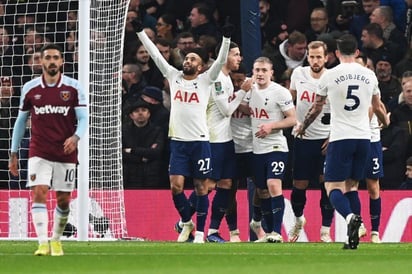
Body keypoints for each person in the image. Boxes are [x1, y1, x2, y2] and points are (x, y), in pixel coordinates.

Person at [133, 19, 233, 243]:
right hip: (178, 141)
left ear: (200, 66)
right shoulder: (173, 76)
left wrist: (226, 39)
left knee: (201, 187)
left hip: (200, 141)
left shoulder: (207, 80)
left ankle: (200, 233)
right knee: (175, 186)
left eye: (193, 59)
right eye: (187, 57)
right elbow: (155, 54)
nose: (187, 60)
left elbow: (219, 62)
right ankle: (187, 223)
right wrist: (140, 32)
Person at [297, 34, 389, 249]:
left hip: (340, 138)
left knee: (332, 186)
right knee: (352, 186)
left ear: (335, 54)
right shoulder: (369, 75)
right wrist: (384, 122)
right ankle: (351, 237)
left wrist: (304, 126)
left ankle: (349, 217)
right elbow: (377, 106)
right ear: (357, 52)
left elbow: (317, 107)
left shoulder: (330, 76)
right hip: (364, 137)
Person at [8, 44, 88, 256]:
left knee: (63, 199)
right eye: (48, 58)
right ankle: (42, 243)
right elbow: (20, 121)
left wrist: (76, 137)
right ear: (41, 62)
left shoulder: (73, 88)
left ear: (62, 61)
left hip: (65, 151)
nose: (52, 61)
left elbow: (83, 119)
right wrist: (14, 152)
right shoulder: (30, 88)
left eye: (55, 58)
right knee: (39, 192)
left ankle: (56, 240)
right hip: (39, 150)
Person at [244, 56, 297, 243]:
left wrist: (271, 126)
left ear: (271, 73)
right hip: (256, 149)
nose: (259, 74)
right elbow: (241, 109)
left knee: (273, 185)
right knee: (261, 191)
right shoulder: (248, 90)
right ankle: (261, 226)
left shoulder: (280, 92)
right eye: (257, 70)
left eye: (264, 70)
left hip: (276, 146)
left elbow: (292, 119)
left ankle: (276, 232)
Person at [287, 41, 335, 243]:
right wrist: (293, 122)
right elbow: (290, 100)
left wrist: (333, 135)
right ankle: (299, 219)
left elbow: (341, 109)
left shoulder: (333, 78)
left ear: (326, 58)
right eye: (312, 56)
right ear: (307, 56)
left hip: (326, 139)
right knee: (299, 185)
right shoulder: (298, 74)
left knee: (327, 186)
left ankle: (325, 231)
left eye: (319, 57)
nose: (315, 60)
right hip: (303, 138)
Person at [204, 41, 245, 243]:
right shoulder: (218, 79)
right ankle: (185, 220)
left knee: (226, 184)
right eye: (236, 54)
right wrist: (244, 91)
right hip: (215, 140)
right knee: (209, 184)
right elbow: (226, 110)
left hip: (226, 139)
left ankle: (212, 231)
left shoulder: (227, 78)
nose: (239, 58)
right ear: (224, 56)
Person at [122, 99, 166, 188]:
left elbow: (156, 152)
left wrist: (131, 150)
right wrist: (141, 158)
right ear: (131, 115)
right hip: (130, 176)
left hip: (152, 176)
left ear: (149, 114)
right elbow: (120, 153)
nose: (140, 113)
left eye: (144, 110)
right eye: (136, 111)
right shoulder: (124, 131)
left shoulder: (157, 130)